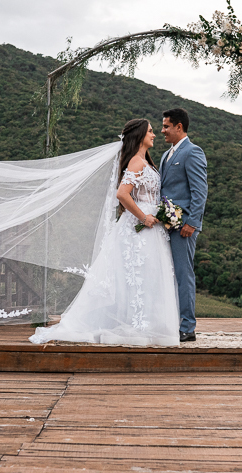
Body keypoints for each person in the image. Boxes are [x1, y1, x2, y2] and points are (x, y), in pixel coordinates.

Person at [29, 119, 181, 346]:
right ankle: (136, 325)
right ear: (140, 135)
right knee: (137, 277)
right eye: (150, 131)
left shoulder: (145, 162)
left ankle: (145, 325)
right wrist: (143, 217)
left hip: (152, 230)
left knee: (147, 277)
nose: (154, 134)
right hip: (140, 228)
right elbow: (122, 194)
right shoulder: (136, 162)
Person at [159, 108, 208, 342]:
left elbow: (200, 191)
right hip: (165, 225)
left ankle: (187, 327)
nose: (162, 131)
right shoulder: (165, 155)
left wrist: (192, 223)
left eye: (166, 126)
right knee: (166, 274)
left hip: (184, 228)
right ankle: (170, 322)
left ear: (179, 127)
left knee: (183, 274)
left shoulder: (193, 152)